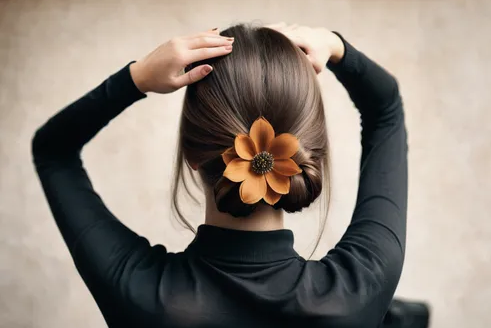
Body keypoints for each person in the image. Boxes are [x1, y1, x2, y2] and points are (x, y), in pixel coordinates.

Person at [31, 23, 429, 327]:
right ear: (307, 157)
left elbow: (53, 150)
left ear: (190, 154)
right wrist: (336, 46)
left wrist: (136, 78)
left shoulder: (139, 293)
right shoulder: (360, 287)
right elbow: (386, 109)